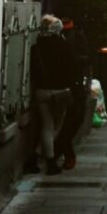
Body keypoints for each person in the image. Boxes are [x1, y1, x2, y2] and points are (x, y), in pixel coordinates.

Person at [30, 15, 78, 175]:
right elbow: (72, 67)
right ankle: (50, 162)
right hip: (60, 91)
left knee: (46, 126)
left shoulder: (37, 45)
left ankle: (34, 159)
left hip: (42, 91)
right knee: (55, 126)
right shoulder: (64, 45)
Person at [54, 16, 88, 170]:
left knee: (69, 121)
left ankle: (60, 152)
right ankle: (61, 153)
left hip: (72, 84)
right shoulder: (59, 39)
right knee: (71, 121)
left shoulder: (74, 37)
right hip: (68, 85)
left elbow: (87, 58)